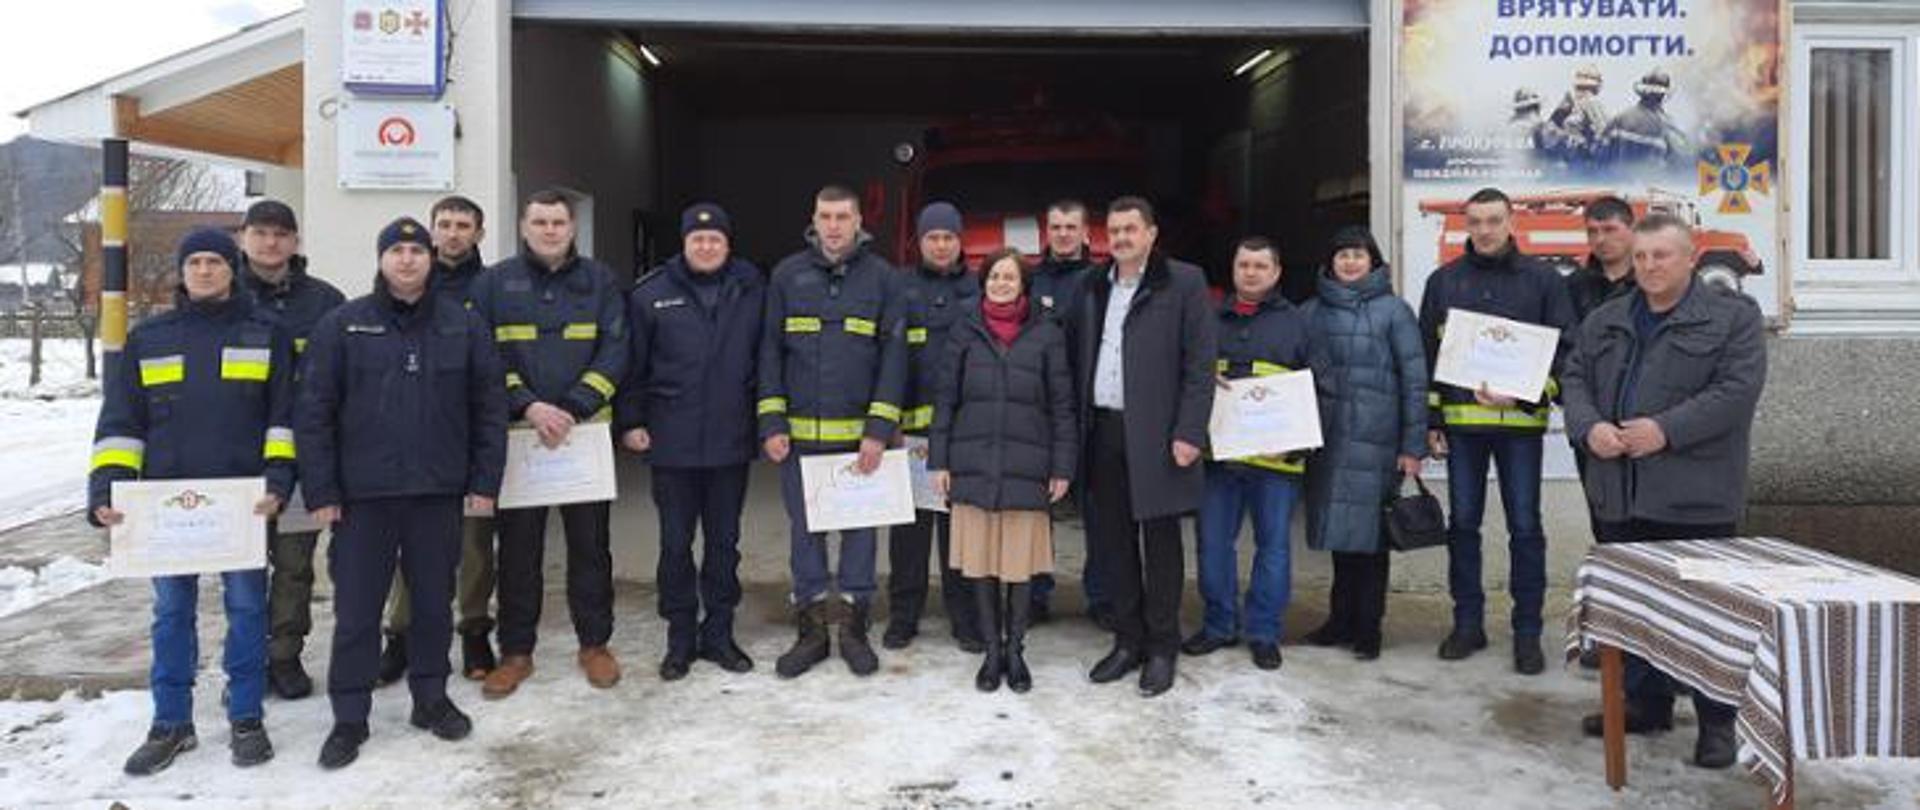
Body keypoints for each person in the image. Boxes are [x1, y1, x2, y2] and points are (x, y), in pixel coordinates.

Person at [297, 217, 507, 769]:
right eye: (397, 250)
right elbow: (314, 413)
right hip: (362, 498)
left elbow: (488, 412)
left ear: (432, 258)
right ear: (382, 259)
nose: (408, 260)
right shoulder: (343, 325)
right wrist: (321, 488)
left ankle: (431, 700)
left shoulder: (463, 326)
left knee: (434, 605)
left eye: (417, 250)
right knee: (359, 611)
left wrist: (484, 484)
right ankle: (349, 717)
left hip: (437, 494)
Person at [1563, 213, 1767, 769]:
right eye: (1643, 256)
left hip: (1694, 497)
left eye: (1663, 256)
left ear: (1691, 256)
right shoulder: (1606, 319)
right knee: (1634, 612)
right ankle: (1644, 703)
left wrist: (1665, 430)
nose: (1650, 266)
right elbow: (1574, 377)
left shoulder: (1732, 319)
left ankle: (1716, 723)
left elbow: (1736, 391)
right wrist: (1589, 428)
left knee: (1707, 617)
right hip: (1619, 492)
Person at [90, 228, 296, 775]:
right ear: (182, 271)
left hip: (241, 506)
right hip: (165, 508)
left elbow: (283, 418)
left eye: (215, 261)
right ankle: (171, 723)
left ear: (234, 269)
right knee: (171, 613)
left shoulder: (266, 334)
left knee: (250, 610)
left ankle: (247, 717)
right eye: (195, 261)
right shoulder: (150, 338)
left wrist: (278, 482)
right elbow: (120, 424)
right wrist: (105, 491)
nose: (204, 270)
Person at [469, 189, 630, 698]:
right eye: (539, 222)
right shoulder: (494, 283)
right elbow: (484, 355)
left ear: (572, 228)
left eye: (558, 222)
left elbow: (616, 348)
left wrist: (576, 406)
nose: (549, 230)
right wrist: (529, 406)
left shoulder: (600, 280)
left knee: (591, 548)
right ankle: (517, 652)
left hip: (583, 437)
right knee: (518, 551)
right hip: (521, 439)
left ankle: (595, 644)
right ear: (523, 226)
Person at [1418, 187, 1576, 675]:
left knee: (1525, 528)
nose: (1484, 230)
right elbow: (1428, 355)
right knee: (1462, 526)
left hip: (1521, 428)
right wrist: (1432, 419)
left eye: (1493, 221)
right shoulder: (1444, 282)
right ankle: (1468, 624)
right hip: (1464, 430)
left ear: (1511, 223)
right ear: (1467, 225)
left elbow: (1566, 350)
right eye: (1476, 222)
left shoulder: (1545, 281)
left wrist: (1527, 393)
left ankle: (1526, 634)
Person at [758, 184, 909, 679]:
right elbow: (770, 353)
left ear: (859, 220)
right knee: (805, 533)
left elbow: (894, 356)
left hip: (858, 441)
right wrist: (773, 422)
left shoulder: (884, 279)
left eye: (843, 216)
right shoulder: (786, 275)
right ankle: (812, 631)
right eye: (826, 216)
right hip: (799, 441)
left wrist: (879, 428)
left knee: (861, 533)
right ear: (814, 219)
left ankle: (854, 627)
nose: (834, 225)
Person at [1071, 196, 1216, 698]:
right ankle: (1127, 640)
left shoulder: (1184, 282)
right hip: (1104, 431)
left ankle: (1161, 647)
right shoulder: (1090, 286)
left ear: (1152, 234)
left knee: (1160, 545)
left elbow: (1201, 366)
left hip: (1159, 434)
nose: (1122, 238)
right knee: (1113, 543)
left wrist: (1189, 432)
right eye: (1114, 230)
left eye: (1131, 229)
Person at [616, 202, 763, 680]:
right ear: (683, 243)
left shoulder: (751, 290)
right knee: (675, 544)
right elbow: (631, 365)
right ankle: (680, 637)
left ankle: (719, 634)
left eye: (715, 239)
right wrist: (631, 420)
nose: (706, 246)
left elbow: (765, 362)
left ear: (727, 243)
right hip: (672, 439)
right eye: (697, 239)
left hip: (730, 439)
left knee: (724, 543)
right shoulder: (650, 295)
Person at [930, 248, 1076, 692]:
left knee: (1018, 566)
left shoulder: (1046, 333)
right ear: (984, 282)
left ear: (1023, 284)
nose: (1001, 284)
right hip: (972, 464)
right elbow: (945, 401)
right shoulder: (964, 330)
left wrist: (1062, 466)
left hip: (1026, 466)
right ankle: (992, 651)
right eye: (994, 276)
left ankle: (1017, 651)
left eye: (1009, 277)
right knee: (981, 563)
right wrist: (939, 460)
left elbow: (1062, 406)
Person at [379, 194, 501, 686]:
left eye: (463, 225)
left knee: (474, 543)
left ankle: (473, 628)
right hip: (410, 432)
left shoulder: (493, 288)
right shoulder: (406, 286)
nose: (453, 233)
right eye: (445, 224)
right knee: (410, 542)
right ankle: (401, 635)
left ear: (479, 233)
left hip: (468, 430)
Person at [1300, 227, 1428, 661]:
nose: (1350, 262)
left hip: (1379, 442)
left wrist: (1413, 446)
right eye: (1342, 255)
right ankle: (1339, 621)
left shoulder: (1395, 311)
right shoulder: (1311, 312)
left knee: (1372, 541)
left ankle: (1369, 627)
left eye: (1358, 255)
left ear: (1373, 261)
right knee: (1340, 539)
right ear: (1330, 262)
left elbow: (1414, 381)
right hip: (1331, 441)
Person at [1184, 237, 1310, 671]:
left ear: (1276, 273)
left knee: (1272, 546)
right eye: (1244, 265)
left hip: (1276, 461)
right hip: (1219, 458)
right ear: (1233, 270)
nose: (1251, 272)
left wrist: (1296, 442)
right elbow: (1187, 376)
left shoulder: (1299, 322)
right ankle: (1218, 625)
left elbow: (1320, 388)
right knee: (1213, 544)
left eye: (1260, 266)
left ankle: (1264, 632)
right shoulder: (1207, 320)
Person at [237, 199, 346, 701]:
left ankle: (284, 656)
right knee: (240, 566)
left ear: (296, 242)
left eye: (281, 233)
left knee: (294, 562)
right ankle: (245, 660)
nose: (270, 242)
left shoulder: (325, 302)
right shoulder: (221, 292)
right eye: (260, 232)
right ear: (243, 237)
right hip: (235, 460)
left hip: (303, 458)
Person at [884, 201, 982, 652]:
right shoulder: (898, 287)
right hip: (911, 436)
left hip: (963, 435)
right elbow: (888, 358)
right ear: (918, 241)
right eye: (932, 237)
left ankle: (965, 618)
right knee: (909, 533)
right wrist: (890, 423)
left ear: (960, 241)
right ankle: (904, 616)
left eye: (948, 237)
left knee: (958, 530)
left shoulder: (980, 287)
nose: (941, 245)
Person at [1026, 198, 1105, 627]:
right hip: (1040, 412)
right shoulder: (1030, 281)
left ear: (1086, 233)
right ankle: (1036, 594)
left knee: (1098, 509)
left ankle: (1101, 596)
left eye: (1070, 227)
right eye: (1055, 227)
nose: (1062, 234)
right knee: (1039, 510)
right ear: (1046, 232)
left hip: (1091, 409)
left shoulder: (1103, 281)